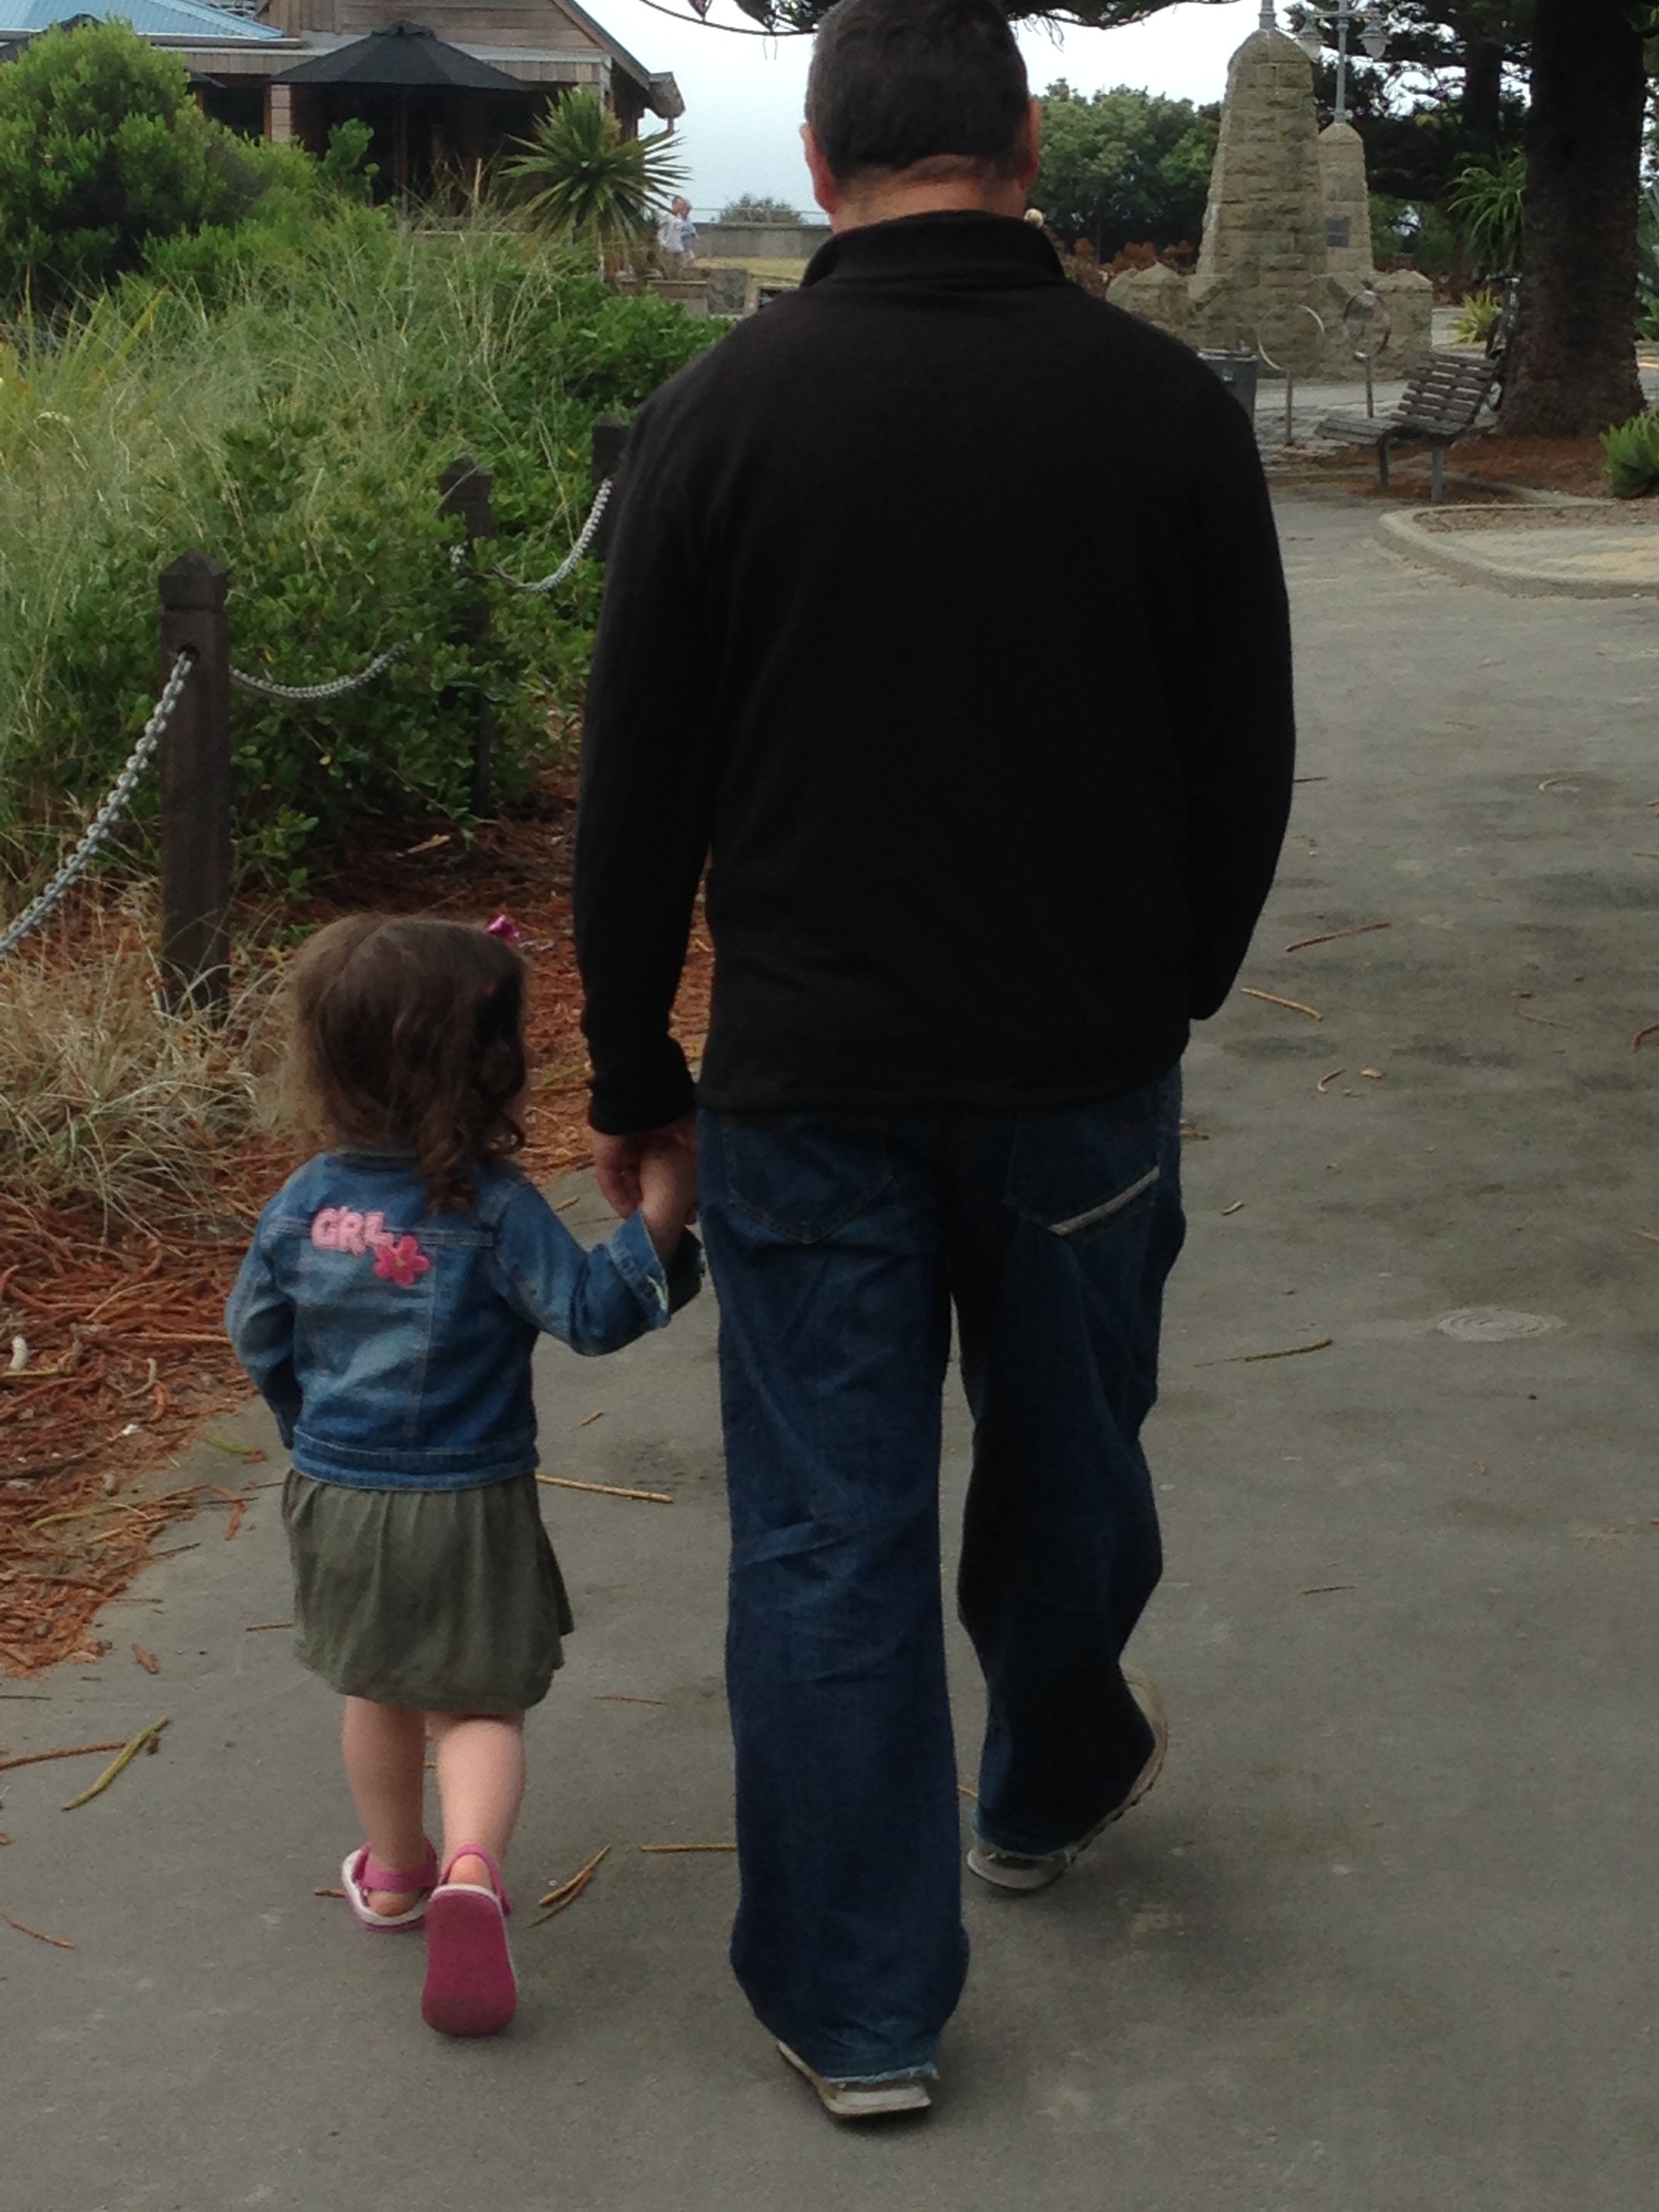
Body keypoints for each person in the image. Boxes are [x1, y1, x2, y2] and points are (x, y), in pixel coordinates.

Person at [573, 0, 1294, 2118]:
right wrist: (1174, 987)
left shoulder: (719, 416)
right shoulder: (1163, 414)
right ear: (1031, 144)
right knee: (1074, 1464)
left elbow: (638, 800)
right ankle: (1048, 1773)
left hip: (806, 1088)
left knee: (826, 1533)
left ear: (819, 163)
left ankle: (863, 2002)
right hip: (1083, 1071)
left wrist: (636, 1081)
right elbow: (1242, 754)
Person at [225, 915, 699, 2039]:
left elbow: (257, 1332)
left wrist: (310, 1432)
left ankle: (398, 1873)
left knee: (376, 1682)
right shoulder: (494, 1206)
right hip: (471, 1501)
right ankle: (474, 1873)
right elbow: (592, 1316)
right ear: (492, 1072)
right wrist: (667, 1213)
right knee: (476, 1704)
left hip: (339, 1493)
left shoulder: (302, 1202)